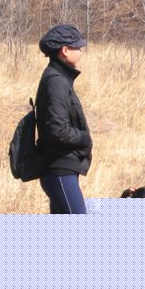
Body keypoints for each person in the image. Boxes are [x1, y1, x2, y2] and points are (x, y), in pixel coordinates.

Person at [35, 24, 92, 214]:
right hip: (59, 169)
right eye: (78, 47)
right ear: (65, 50)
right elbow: (57, 130)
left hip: (62, 168)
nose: (81, 52)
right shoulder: (56, 81)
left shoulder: (59, 77)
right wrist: (84, 138)